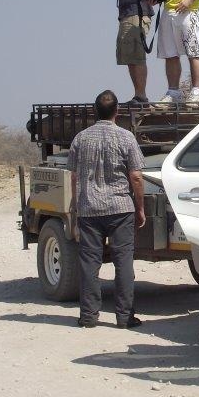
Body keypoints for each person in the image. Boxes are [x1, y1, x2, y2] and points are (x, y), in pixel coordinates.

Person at [66, 90, 146, 329]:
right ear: (117, 111)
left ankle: (88, 317)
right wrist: (139, 207)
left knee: (90, 263)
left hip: (89, 208)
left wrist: (75, 204)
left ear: (94, 111)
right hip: (121, 208)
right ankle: (124, 317)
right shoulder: (126, 137)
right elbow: (137, 177)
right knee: (124, 262)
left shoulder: (80, 138)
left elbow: (73, 176)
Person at [87, 0, 156, 104]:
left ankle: (141, 96)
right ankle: (138, 95)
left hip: (138, 13)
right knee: (129, 57)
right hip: (126, 14)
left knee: (136, 54)